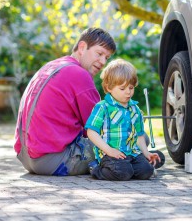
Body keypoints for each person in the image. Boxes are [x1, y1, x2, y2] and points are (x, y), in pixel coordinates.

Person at [14, 27, 117, 176]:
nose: (102, 62)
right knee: (130, 139)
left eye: (106, 58)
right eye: (99, 53)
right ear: (82, 47)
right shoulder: (80, 75)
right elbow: (102, 128)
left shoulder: (50, 66)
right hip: (54, 160)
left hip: (26, 158)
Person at [85, 59, 160, 181]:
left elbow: (140, 135)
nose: (128, 92)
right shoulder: (103, 107)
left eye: (131, 87)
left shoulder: (134, 109)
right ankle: (97, 169)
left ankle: (130, 169)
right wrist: (109, 150)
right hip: (110, 154)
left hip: (131, 153)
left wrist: (146, 153)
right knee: (123, 173)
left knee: (147, 172)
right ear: (109, 87)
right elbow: (91, 132)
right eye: (122, 88)